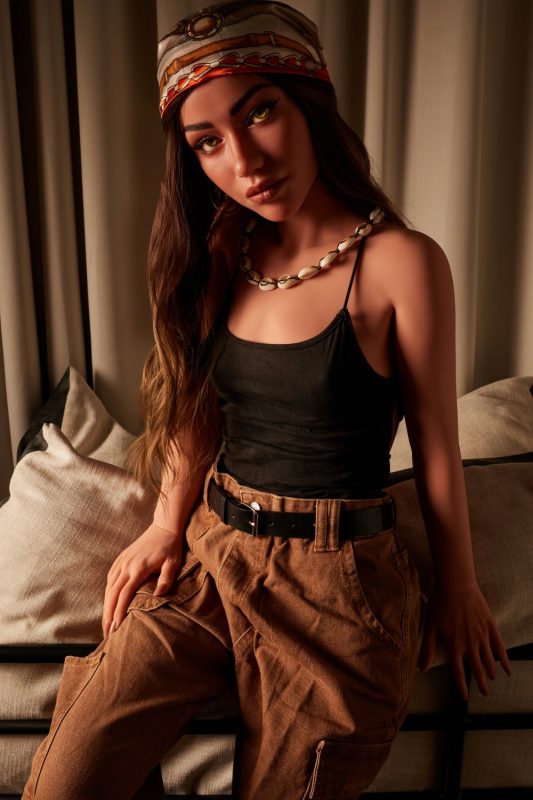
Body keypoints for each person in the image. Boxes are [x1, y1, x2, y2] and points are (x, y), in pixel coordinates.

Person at [23, 2, 511, 798]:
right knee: (64, 782)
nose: (244, 161)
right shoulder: (227, 245)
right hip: (213, 558)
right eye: (207, 141)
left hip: (337, 591)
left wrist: (457, 588)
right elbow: (197, 406)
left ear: (309, 104)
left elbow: (434, 445)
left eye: (259, 113)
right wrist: (165, 525)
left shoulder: (399, 262)